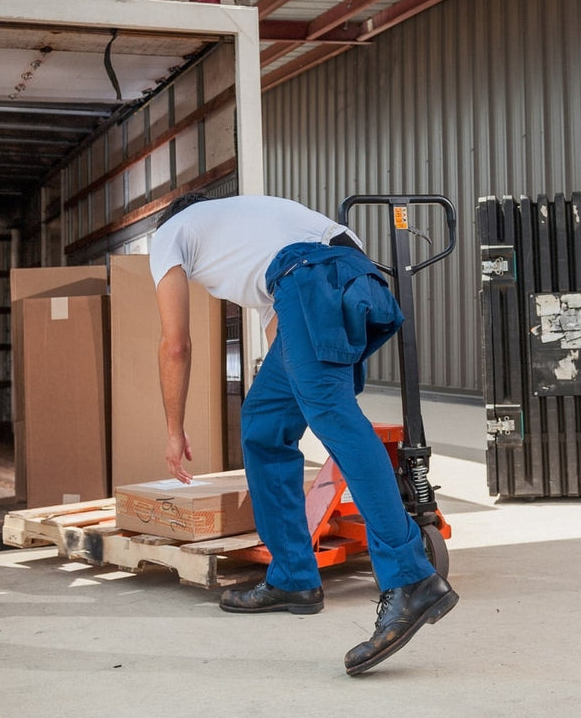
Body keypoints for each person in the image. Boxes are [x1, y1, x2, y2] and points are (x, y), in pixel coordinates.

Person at [149, 192, 458, 675]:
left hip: (311, 279)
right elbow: (283, 341)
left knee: (336, 418)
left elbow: (175, 344)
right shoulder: (247, 223)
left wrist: (173, 430)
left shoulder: (171, 232)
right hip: (353, 277)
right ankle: (293, 575)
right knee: (265, 424)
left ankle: (410, 576)